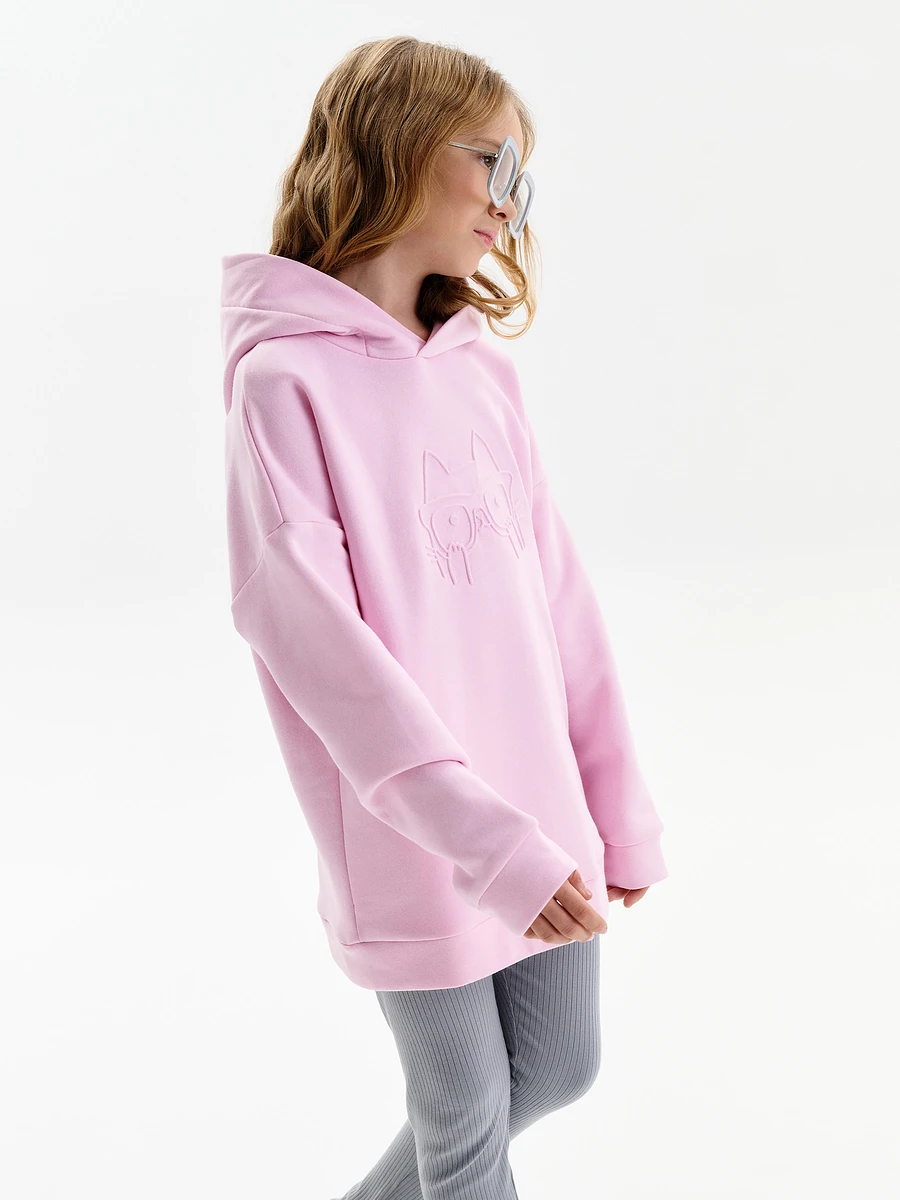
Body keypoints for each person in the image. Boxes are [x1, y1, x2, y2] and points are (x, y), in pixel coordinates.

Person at [220, 34, 668, 1200]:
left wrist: (613, 803)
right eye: (492, 163)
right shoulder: (284, 385)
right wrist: (482, 842)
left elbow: (560, 602)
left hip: (542, 809)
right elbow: (320, 651)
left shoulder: (481, 374)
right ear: (396, 150)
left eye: (526, 177)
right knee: (464, 1117)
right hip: (413, 837)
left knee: (560, 1068)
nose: (512, 203)